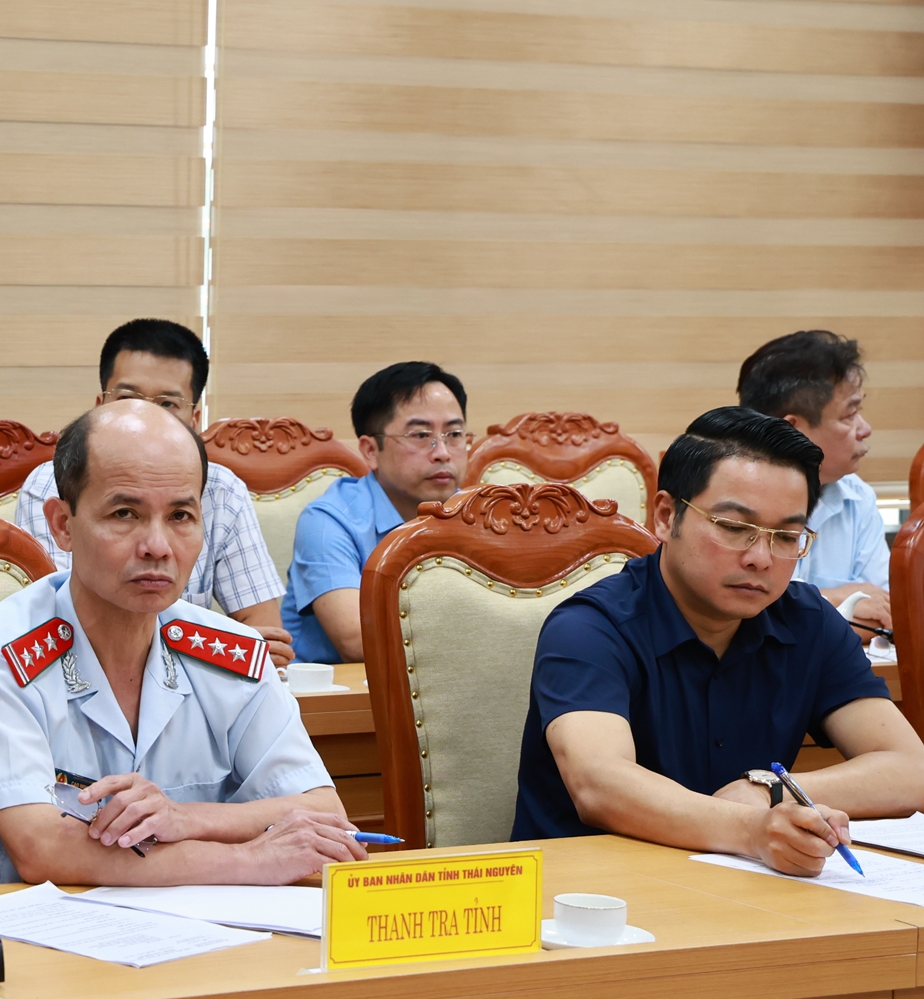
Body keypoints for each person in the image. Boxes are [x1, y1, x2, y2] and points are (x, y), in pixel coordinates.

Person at [0, 400, 367, 891]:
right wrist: (250, 859)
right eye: (125, 513)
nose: (158, 546)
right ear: (63, 525)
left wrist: (186, 817)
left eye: (180, 516)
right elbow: (43, 848)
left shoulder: (231, 652)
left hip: (191, 927)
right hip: (10, 930)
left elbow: (323, 811)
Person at [512, 407, 924, 875]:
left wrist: (768, 789)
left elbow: (912, 769)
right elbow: (601, 786)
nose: (761, 558)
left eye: (786, 536)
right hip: (589, 893)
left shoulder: (809, 623)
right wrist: (751, 829)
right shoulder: (590, 628)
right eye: (734, 528)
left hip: (745, 893)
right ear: (666, 516)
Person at [15, 319, 292, 660]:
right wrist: (217, 647)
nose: (143, 415)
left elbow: (267, 640)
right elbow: (65, 621)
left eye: (167, 404)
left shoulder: (224, 490)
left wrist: (222, 649)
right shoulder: (51, 485)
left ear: (194, 420)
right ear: (99, 406)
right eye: (128, 398)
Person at [282, 362, 469, 663]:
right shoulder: (328, 521)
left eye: (455, 433)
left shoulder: (478, 514)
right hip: (342, 689)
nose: (443, 453)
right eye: (421, 435)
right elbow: (358, 642)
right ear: (371, 451)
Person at [738, 331, 891, 637]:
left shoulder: (857, 497)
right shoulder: (729, 501)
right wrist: (835, 600)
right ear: (792, 429)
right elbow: (739, 622)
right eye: (850, 414)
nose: (865, 429)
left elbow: (882, 617)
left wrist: (795, 610)